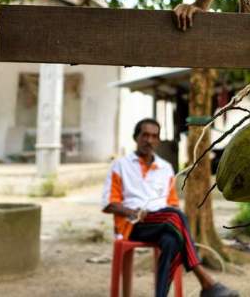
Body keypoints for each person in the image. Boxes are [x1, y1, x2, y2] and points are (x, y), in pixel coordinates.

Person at [102, 118, 239, 297]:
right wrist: (133, 212)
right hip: (133, 225)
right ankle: (205, 281)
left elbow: (172, 204)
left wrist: (165, 215)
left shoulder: (165, 168)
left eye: (154, 136)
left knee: (171, 240)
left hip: (162, 222)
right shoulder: (120, 165)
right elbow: (109, 203)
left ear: (158, 140)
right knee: (175, 216)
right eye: (145, 135)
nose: (149, 140)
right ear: (136, 137)